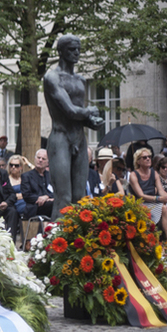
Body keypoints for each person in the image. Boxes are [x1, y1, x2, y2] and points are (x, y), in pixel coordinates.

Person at [43, 34, 104, 212]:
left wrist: (92, 122)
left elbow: (78, 115)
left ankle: (78, 239)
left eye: (78, 49)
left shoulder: (81, 80)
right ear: (61, 51)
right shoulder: (52, 77)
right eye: (71, 49)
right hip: (60, 138)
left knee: (80, 197)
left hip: (79, 137)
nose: (76, 53)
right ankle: (54, 239)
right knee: (64, 198)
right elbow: (69, 110)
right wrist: (90, 111)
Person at [129, 149, 167, 236]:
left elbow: (160, 191)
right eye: (144, 157)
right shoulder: (133, 175)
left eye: (149, 157)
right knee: (165, 207)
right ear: (138, 161)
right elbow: (141, 195)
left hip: (153, 201)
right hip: (141, 203)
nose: (148, 159)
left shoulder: (154, 173)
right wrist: (159, 198)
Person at [21, 149, 55, 221]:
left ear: (47, 163)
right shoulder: (26, 176)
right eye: (38, 158)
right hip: (35, 207)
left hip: (49, 204)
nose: (40, 160)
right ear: (35, 159)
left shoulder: (51, 176)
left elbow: (56, 191)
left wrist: (47, 197)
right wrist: (40, 198)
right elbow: (26, 195)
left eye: (43, 159)